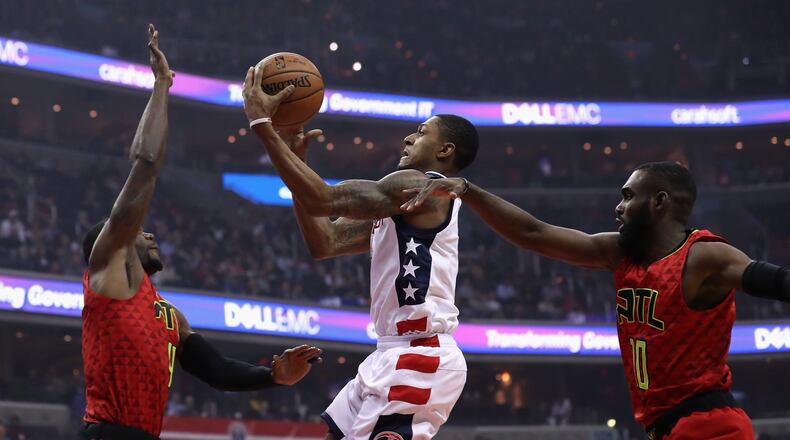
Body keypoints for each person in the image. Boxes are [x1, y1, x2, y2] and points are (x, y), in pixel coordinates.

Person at [401, 161, 790, 439]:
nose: (618, 207)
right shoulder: (620, 254)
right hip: (663, 426)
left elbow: (777, 281)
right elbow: (534, 233)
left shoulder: (704, 256)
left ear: (659, 202)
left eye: (628, 196)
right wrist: (468, 191)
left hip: (710, 424)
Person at [80, 25, 322, 440]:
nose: (148, 235)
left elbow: (217, 371)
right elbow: (145, 164)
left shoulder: (169, 316)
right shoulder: (107, 273)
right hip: (107, 432)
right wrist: (161, 85)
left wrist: (273, 376)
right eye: (139, 231)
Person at [242, 66, 479, 439]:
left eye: (421, 133)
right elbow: (326, 242)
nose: (408, 138)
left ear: (444, 150)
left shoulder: (422, 188)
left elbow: (323, 199)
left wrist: (262, 125)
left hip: (421, 353)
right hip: (388, 351)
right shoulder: (401, 206)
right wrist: (296, 163)